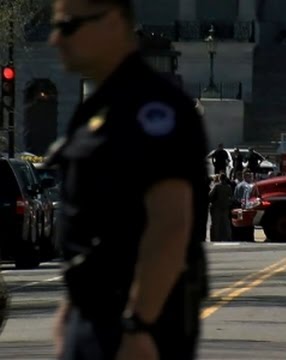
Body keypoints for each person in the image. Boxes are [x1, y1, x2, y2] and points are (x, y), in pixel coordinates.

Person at [47, 0, 209, 359]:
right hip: (91, 318)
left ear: (114, 22)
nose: (56, 40)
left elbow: (170, 225)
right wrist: (70, 311)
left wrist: (139, 324)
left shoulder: (155, 111)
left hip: (133, 326)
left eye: (69, 26)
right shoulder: (97, 109)